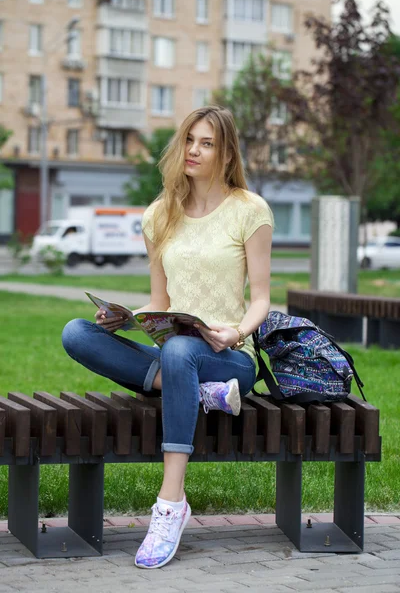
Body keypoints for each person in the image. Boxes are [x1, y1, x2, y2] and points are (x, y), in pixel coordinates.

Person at [61, 105, 273, 570]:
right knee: (76, 333)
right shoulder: (159, 215)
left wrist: (234, 331)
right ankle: (203, 395)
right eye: (189, 140)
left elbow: (261, 298)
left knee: (180, 350)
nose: (194, 150)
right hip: (176, 351)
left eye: (207, 143)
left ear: (227, 152)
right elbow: (159, 300)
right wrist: (124, 319)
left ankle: (170, 504)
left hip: (230, 356)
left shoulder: (249, 210)